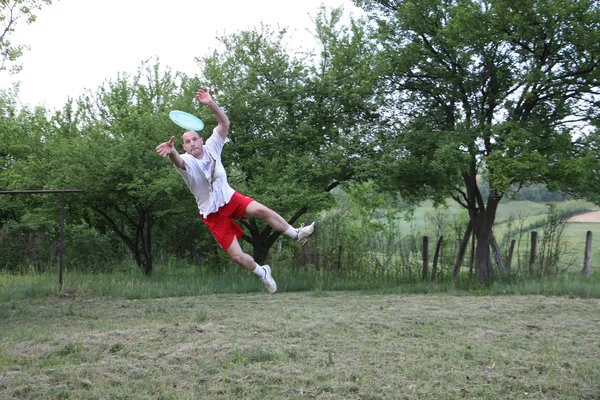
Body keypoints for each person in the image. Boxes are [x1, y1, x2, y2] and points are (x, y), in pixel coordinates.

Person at [156, 88, 316, 294]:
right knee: (237, 257)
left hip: (230, 198)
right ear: (184, 148)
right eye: (187, 142)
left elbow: (225, 124)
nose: (192, 143)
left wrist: (211, 104)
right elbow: (177, 160)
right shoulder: (185, 162)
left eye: (194, 139)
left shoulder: (213, 146)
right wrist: (172, 153)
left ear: (201, 140)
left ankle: (297, 234)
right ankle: (262, 272)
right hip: (212, 214)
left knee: (262, 211)